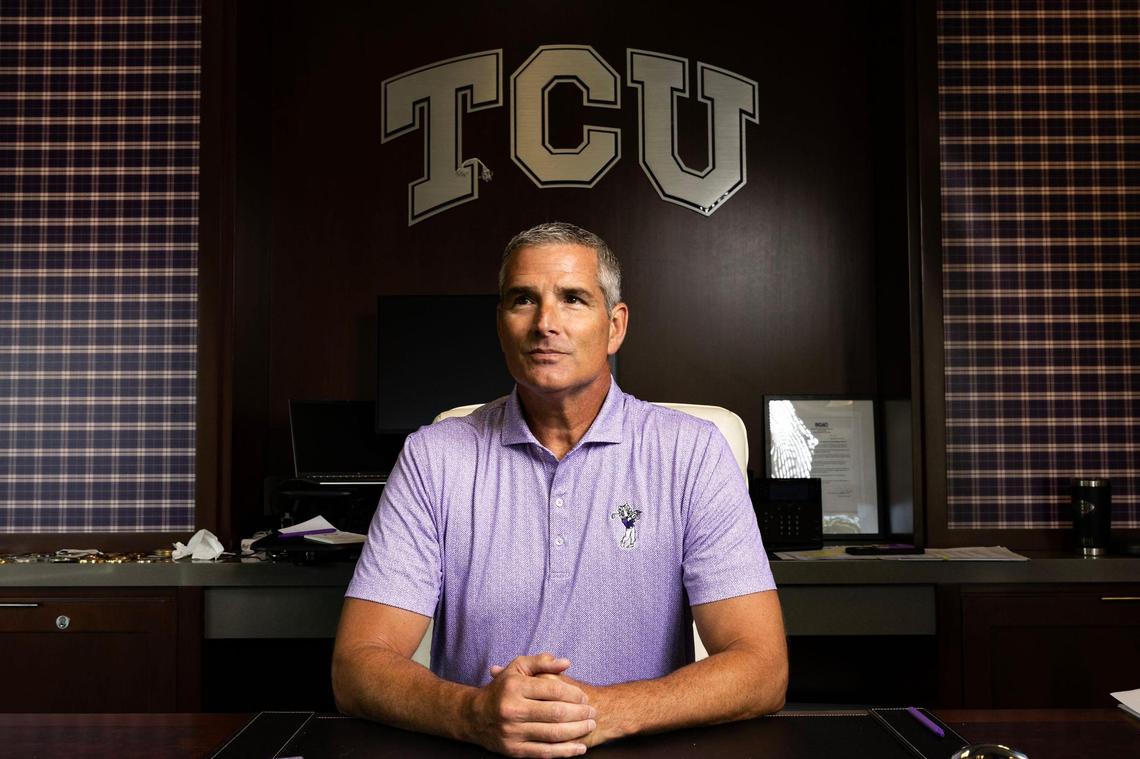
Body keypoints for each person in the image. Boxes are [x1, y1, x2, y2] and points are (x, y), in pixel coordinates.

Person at [333, 222, 787, 757]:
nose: (545, 324)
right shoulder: (434, 457)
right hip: (479, 752)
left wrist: (604, 712)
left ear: (615, 326)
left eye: (573, 299)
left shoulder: (693, 453)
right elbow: (357, 665)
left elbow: (763, 668)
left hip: (637, 749)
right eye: (523, 300)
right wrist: (472, 713)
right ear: (500, 324)